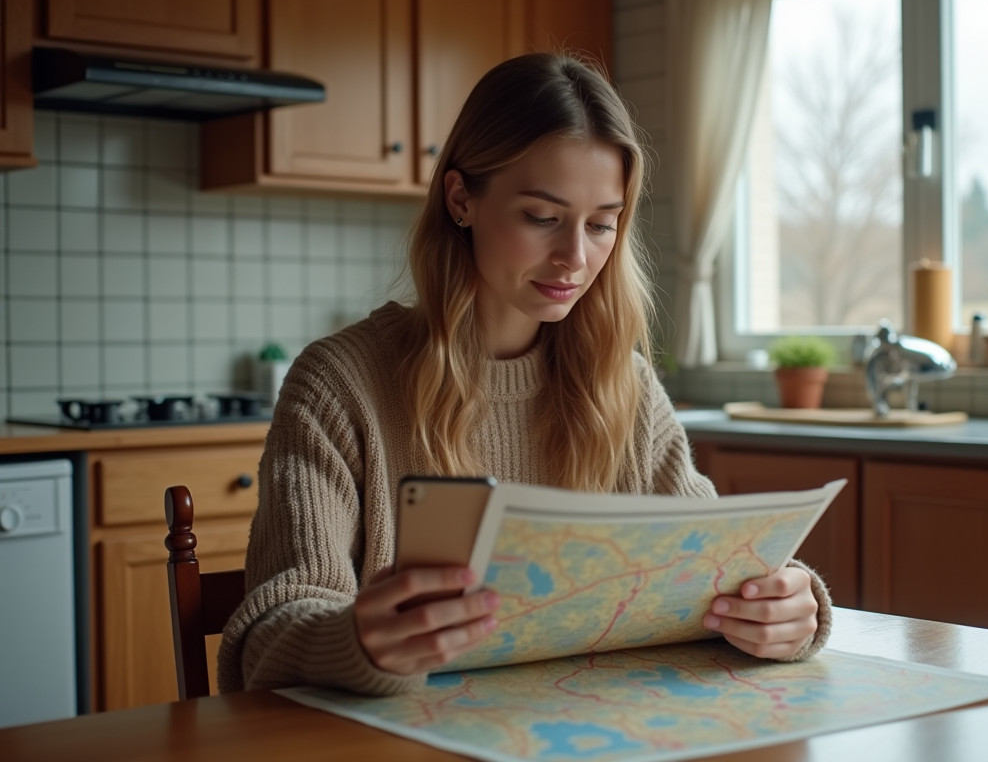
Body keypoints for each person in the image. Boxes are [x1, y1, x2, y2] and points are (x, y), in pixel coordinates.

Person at [217, 53, 832, 696]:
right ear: (461, 199)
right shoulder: (338, 385)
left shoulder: (626, 384)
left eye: (601, 224)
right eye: (542, 218)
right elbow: (267, 636)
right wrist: (355, 639)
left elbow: (715, 575)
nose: (574, 257)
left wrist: (785, 609)